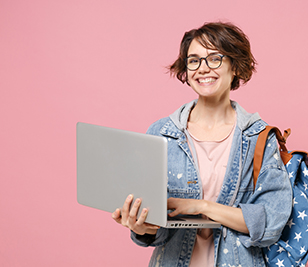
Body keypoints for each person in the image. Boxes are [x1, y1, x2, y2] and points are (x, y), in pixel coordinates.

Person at [112, 22, 292, 267]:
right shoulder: (161, 134)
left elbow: (270, 221)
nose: (202, 69)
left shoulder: (259, 138)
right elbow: (158, 229)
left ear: (236, 66)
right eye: (194, 60)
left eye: (214, 59)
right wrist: (143, 226)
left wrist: (201, 206)